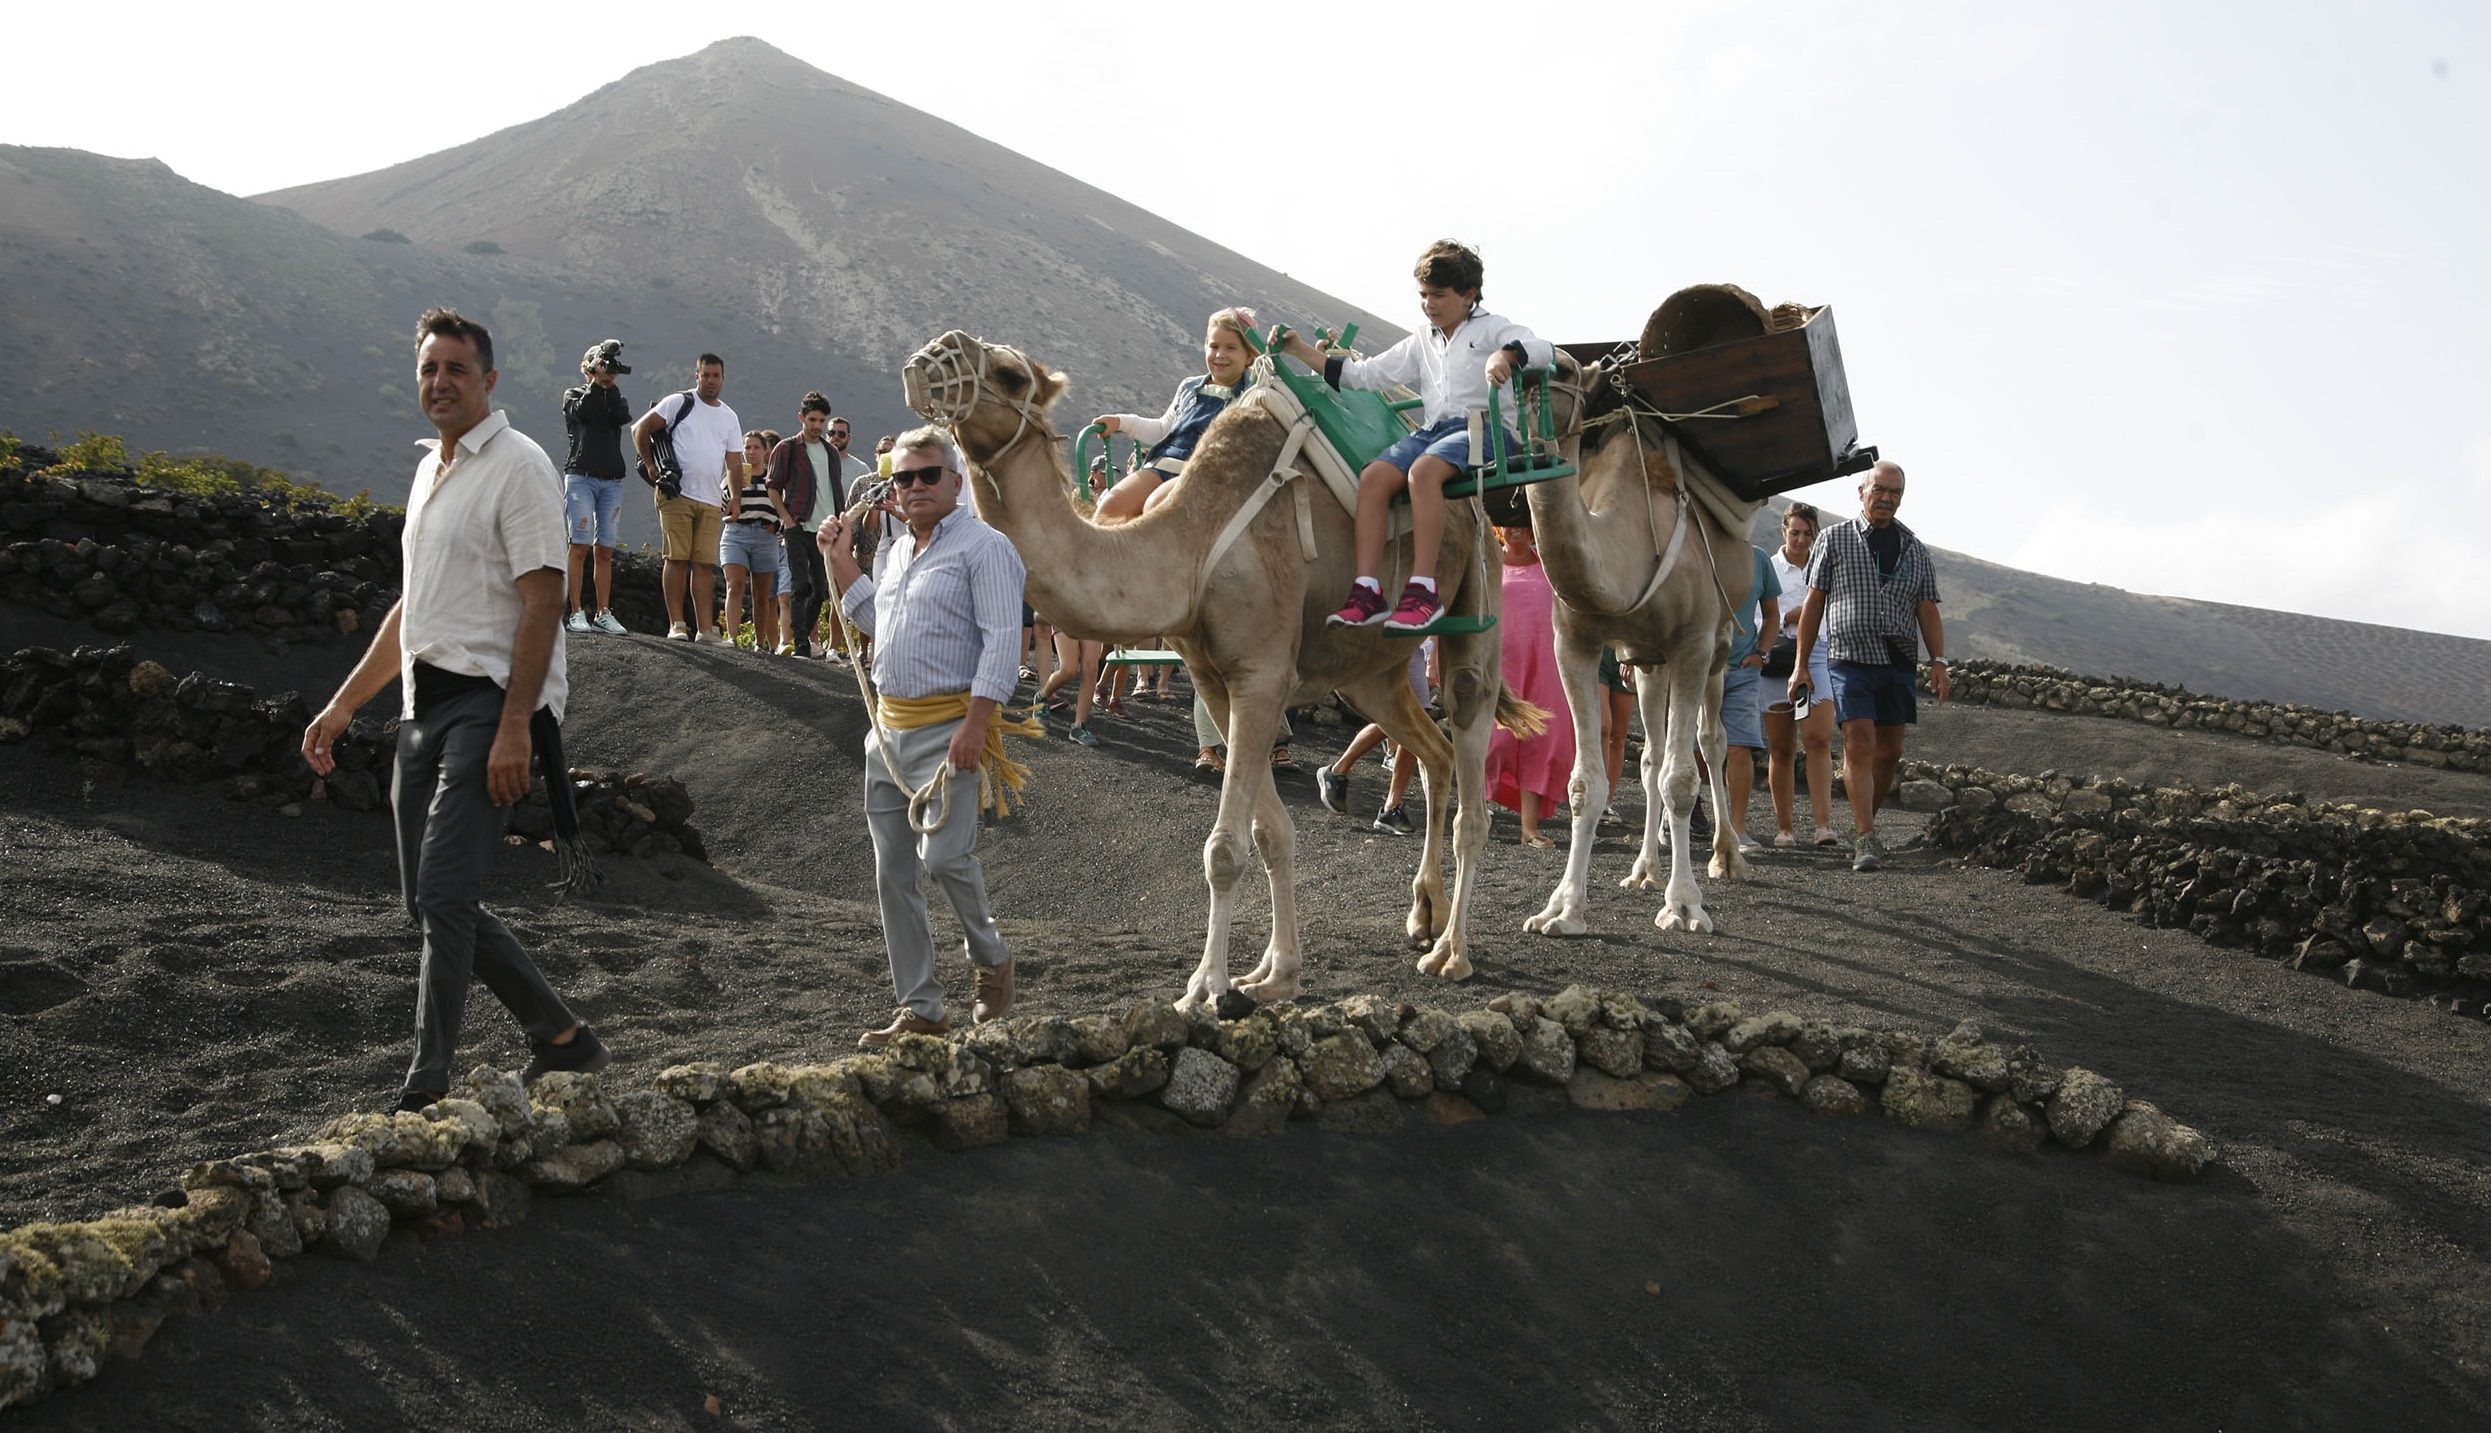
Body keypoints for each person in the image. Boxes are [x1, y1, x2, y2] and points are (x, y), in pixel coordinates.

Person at [301, 308, 607, 1112]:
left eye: (456, 370)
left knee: (441, 895)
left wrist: (515, 726)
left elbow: (546, 599)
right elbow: (413, 607)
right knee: (429, 900)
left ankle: (423, 1084)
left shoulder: (520, 465)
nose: (440, 382)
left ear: (489, 381)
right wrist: (341, 707)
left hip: (488, 703)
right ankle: (561, 1036)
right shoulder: (429, 470)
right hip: (419, 706)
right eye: (429, 369)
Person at [818, 427, 1029, 1045]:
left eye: (927, 475)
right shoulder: (896, 553)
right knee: (893, 873)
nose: (914, 487)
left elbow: (1001, 641)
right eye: (903, 478)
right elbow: (877, 624)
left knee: (943, 856)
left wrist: (976, 724)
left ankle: (991, 956)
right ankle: (923, 1008)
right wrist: (838, 559)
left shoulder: (985, 548)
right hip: (886, 732)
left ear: (955, 482)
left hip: (949, 728)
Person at [1279, 241, 1552, 633]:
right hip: (1435, 431)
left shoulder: (1493, 328)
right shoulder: (1423, 338)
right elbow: (1366, 375)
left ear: (1469, 295)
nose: (1429, 304)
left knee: (1423, 473)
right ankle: (1367, 589)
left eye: (1439, 296)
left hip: (1486, 429)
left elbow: (1544, 349)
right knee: (1373, 477)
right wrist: (1302, 351)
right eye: (1424, 296)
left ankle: (1424, 590)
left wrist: (1504, 357)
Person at [1790, 460, 1949, 872]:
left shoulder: (1915, 549)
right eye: (1879, 489)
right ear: (1862, 492)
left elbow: (1926, 607)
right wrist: (1801, 665)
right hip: (1848, 657)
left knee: (1890, 752)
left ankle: (1868, 823)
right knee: (1859, 740)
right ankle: (1864, 836)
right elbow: (1813, 602)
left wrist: (1939, 661)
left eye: (1895, 492)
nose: (1886, 498)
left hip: (1897, 658)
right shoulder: (1834, 539)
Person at [1092, 306, 1259, 524]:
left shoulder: (1251, 395)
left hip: (1200, 474)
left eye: (1231, 348)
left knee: (1155, 508)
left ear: (1249, 356)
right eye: (1214, 346)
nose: (1220, 355)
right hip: (1162, 465)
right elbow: (1162, 429)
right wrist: (1121, 422)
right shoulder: (1189, 387)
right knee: (1110, 506)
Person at [631, 353, 742, 641]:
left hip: (711, 498)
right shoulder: (679, 402)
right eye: (705, 375)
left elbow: (733, 462)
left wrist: (735, 497)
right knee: (677, 558)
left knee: (704, 564)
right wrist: (651, 465)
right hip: (676, 492)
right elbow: (639, 428)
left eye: (715, 375)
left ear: (723, 378)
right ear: (697, 376)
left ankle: (705, 629)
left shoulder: (729, 416)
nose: (710, 380)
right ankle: (677, 624)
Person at [1482, 522, 1573, 846]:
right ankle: (1477, 811)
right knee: (1496, 741)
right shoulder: (1487, 561)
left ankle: (1528, 828)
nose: (1516, 529)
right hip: (1500, 662)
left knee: (1542, 741)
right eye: (1509, 523)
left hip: (1545, 662)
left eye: (1523, 522)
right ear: (1497, 527)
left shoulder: (1550, 564)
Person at [1763, 502, 1841, 848]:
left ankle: (1823, 826)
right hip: (1777, 658)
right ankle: (1785, 829)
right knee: (1780, 747)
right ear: (1784, 531)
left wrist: (1807, 618)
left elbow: (1835, 614)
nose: (1800, 539)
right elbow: (1755, 615)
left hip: (1817, 654)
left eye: (1807, 534)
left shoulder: (1824, 569)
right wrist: (1787, 618)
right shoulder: (1768, 568)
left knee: (1819, 738)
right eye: (1795, 532)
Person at [559, 339, 634, 636]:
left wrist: (609, 385)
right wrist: (595, 383)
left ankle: (604, 612)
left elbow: (621, 417)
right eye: (601, 363)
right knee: (578, 545)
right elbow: (583, 413)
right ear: (587, 367)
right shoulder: (573, 394)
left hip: (611, 480)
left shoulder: (615, 396)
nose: (607, 370)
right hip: (581, 477)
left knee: (604, 549)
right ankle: (575, 611)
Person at [1319, 639, 1432, 835]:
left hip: (1409, 645)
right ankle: (1390, 806)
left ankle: (1338, 772)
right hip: (1400, 644)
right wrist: (1434, 659)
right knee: (1411, 719)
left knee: (1407, 718)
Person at [1717, 542, 1782, 851]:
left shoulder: (1758, 559)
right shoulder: (1699, 548)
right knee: (1692, 750)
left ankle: (1736, 829)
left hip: (1743, 668)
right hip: (1698, 667)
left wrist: (1762, 653)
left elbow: (1771, 614)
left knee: (1740, 747)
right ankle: (1678, 818)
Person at [764, 394, 838, 658]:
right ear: (801, 418)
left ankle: (801, 636)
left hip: (825, 530)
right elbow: (772, 487)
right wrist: (787, 519)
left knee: (821, 590)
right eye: (812, 419)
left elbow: (834, 490)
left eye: (821, 420)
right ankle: (802, 647)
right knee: (800, 586)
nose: (817, 425)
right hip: (798, 526)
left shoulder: (830, 452)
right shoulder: (787, 448)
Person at [721, 429, 788, 653]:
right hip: (736, 533)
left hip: (765, 536)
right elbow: (722, 506)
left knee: (762, 594)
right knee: (734, 585)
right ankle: (732, 637)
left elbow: (785, 507)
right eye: (747, 447)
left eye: (756, 447)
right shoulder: (732, 476)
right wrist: (735, 493)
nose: (751, 452)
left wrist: (777, 524)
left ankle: (760, 643)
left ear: (765, 451)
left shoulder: (774, 480)